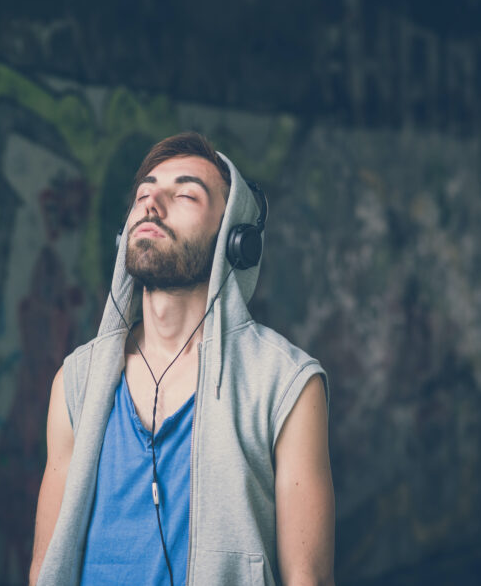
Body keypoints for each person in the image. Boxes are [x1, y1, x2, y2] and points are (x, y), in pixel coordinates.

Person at [28, 133, 334, 585]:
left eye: (185, 194)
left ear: (236, 240)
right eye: (144, 194)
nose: (152, 204)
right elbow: (44, 567)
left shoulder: (285, 384)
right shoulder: (77, 380)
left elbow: (306, 578)